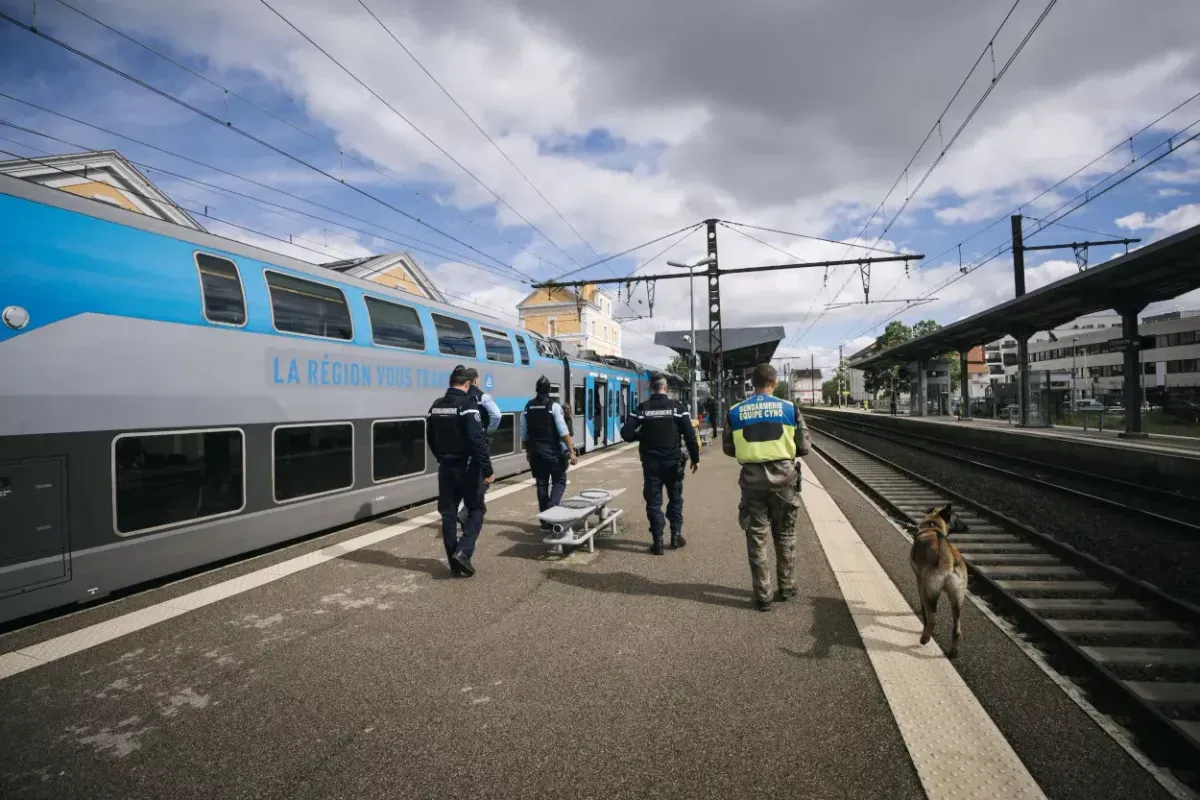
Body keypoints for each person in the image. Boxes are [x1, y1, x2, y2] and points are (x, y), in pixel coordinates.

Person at [723, 363, 812, 611]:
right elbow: (804, 447)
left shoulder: (735, 411)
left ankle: (763, 595)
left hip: (751, 483)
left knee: (756, 538)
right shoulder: (790, 409)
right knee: (785, 534)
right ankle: (787, 587)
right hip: (784, 480)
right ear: (773, 383)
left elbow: (729, 449)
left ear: (752, 384)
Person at [620, 373, 700, 555]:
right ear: (666, 388)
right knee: (675, 499)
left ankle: (657, 542)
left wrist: (642, 436)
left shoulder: (642, 408)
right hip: (673, 463)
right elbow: (689, 436)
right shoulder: (678, 408)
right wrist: (695, 459)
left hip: (651, 464)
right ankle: (675, 536)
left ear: (650, 388)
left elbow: (626, 433)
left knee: (654, 502)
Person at [426, 365, 494, 577]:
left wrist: (442, 458)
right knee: (476, 509)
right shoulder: (468, 405)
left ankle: (454, 563)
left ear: (450, 383)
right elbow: (476, 439)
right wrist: (487, 467)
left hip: (446, 468)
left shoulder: (435, 406)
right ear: (466, 384)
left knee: (448, 514)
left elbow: (430, 438)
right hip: (467, 467)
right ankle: (463, 552)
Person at [521, 376, 577, 527]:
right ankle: (552, 511)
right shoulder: (554, 407)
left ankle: (545, 521)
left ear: (536, 390)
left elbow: (524, 433)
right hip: (553, 453)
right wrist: (571, 451)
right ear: (550, 391)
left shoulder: (527, 407)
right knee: (560, 480)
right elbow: (563, 431)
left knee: (541, 484)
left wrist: (528, 451)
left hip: (535, 453)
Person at [458, 367, 501, 530]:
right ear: (475, 380)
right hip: (477, 441)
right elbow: (497, 415)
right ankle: (468, 511)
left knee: (465, 480)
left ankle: (467, 510)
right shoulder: (482, 396)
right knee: (482, 479)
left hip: (459, 444)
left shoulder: (459, 397)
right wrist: (487, 430)